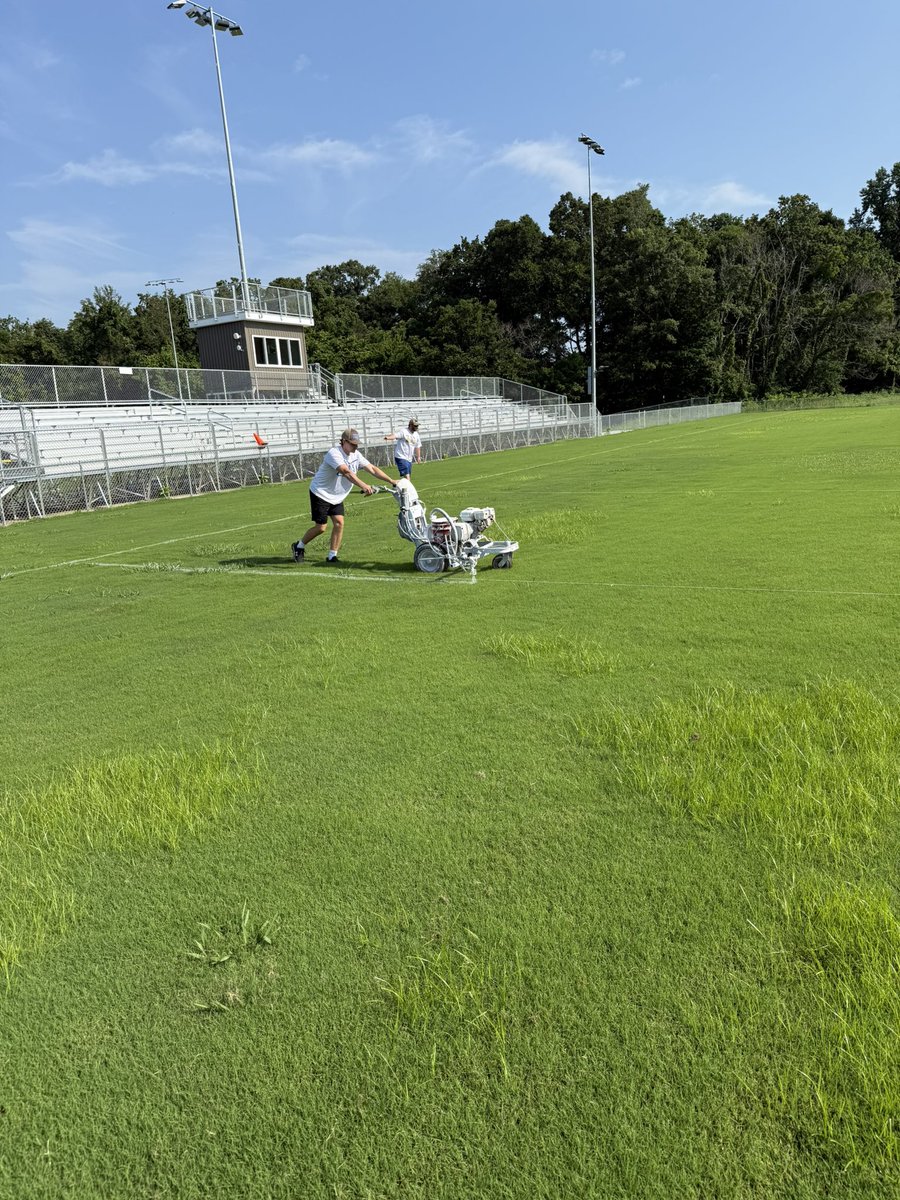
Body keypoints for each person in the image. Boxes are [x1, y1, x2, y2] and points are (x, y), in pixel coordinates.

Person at [291, 429, 397, 565]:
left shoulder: (356, 455)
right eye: (353, 444)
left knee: (339, 523)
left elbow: (372, 468)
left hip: (337, 496)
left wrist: (391, 480)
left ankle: (332, 556)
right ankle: (298, 546)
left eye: (357, 444)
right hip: (321, 493)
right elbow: (346, 472)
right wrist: (364, 486)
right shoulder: (334, 453)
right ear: (344, 442)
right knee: (321, 528)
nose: (355, 446)